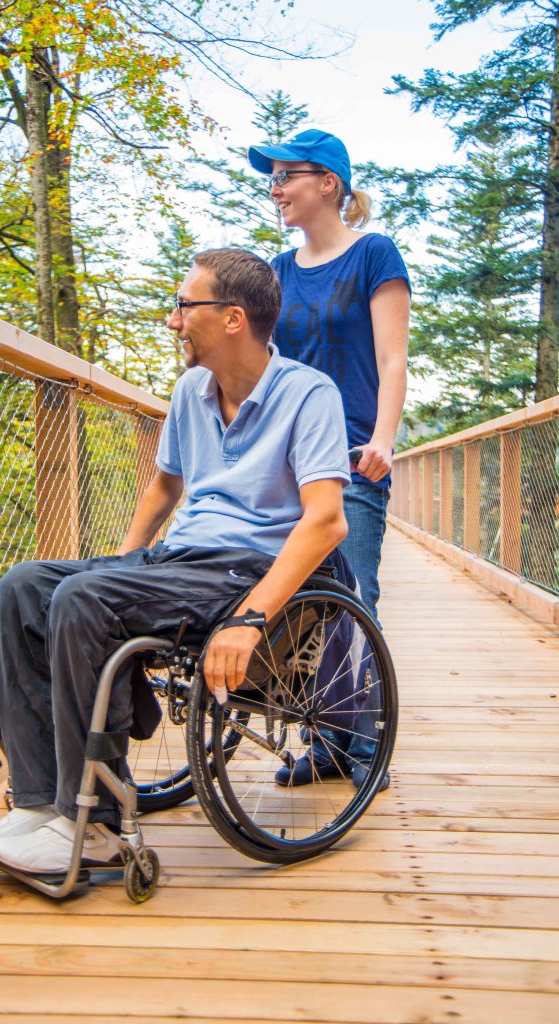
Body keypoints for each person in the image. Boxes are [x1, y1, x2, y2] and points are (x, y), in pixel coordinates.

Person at [0, 247, 353, 875]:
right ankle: (38, 804)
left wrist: (250, 619)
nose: (173, 320)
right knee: (26, 585)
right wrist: (117, 569)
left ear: (232, 318)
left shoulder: (309, 394)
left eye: (183, 305)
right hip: (180, 559)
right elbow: (164, 491)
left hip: (246, 570)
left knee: (83, 599)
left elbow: (326, 520)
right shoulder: (190, 391)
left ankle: (91, 824)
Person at [247, 128, 411, 789]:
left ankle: (363, 747)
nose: (276, 189)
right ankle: (327, 744)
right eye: (273, 179)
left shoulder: (373, 254)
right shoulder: (276, 274)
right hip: (290, 458)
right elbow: (264, 367)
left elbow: (393, 357)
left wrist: (385, 438)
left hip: (353, 456)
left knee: (355, 595)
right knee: (302, 597)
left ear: (329, 184)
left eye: (288, 176)